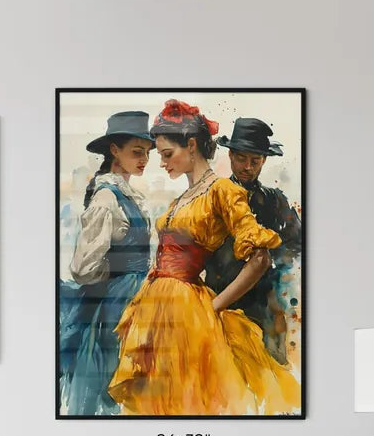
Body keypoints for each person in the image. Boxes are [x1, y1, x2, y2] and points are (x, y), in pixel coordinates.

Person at [108, 100, 300, 416]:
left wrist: (212, 307)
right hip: (156, 307)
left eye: (167, 154)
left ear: (192, 145)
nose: (162, 163)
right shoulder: (184, 196)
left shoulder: (223, 190)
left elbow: (260, 259)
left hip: (189, 310)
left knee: (189, 398)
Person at [59, 111, 153, 416]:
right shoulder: (106, 198)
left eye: (147, 153)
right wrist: (117, 274)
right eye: (136, 152)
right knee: (116, 377)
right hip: (116, 304)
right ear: (114, 150)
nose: (144, 160)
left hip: (137, 298)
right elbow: (82, 267)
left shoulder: (128, 194)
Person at [204, 117, 302, 363]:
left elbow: (297, 244)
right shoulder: (214, 196)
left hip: (265, 305)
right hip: (221, 300)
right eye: (241, 158)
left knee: (270, 373)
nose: (247, 167)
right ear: (231, 157)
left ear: (264, 161)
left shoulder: (275, 200)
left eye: (255, 161)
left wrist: (269, 260)